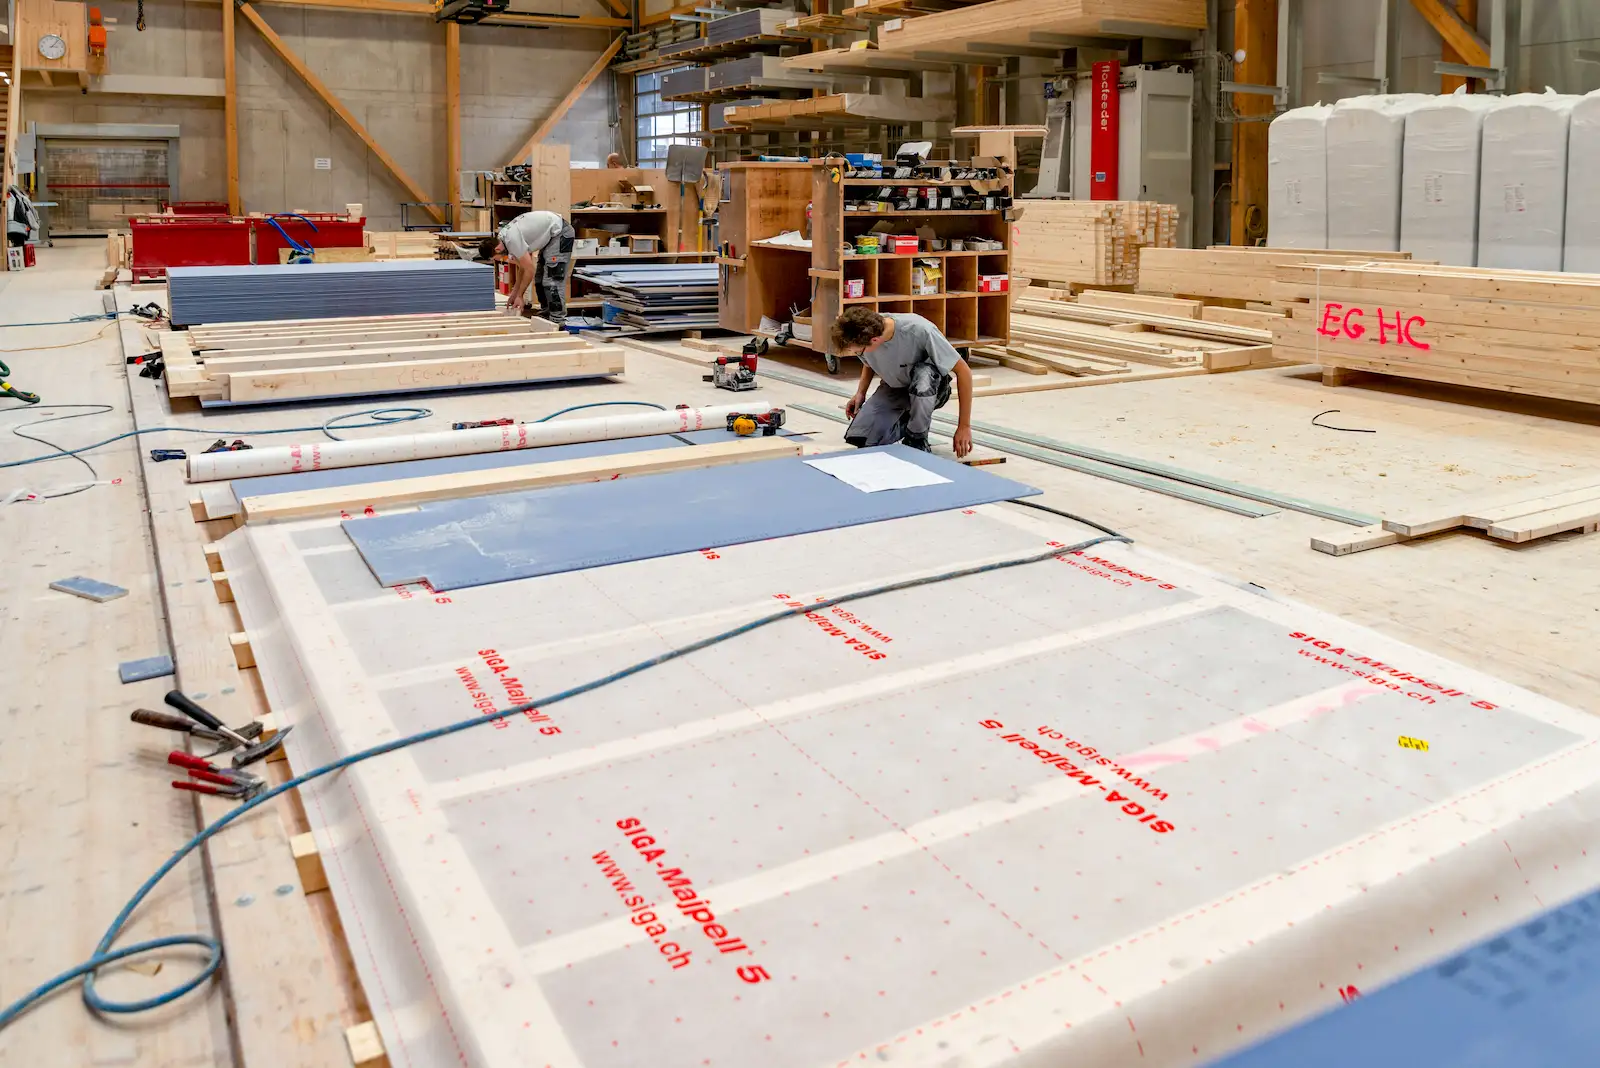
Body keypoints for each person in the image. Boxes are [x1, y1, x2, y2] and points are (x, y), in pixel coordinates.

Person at [831, 307, 973, 458]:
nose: (857, 353)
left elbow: (964, 372)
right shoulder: (865, 330)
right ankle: (908, 420)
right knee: (862, 438)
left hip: (930, 389)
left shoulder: (920, 330)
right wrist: (860, 393)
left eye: (857, 351)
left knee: (923, 375)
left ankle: (917, 438)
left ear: (875, 340)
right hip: (896, 387)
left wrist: (964, 426)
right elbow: (869, 362)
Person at [477, 209, 575, 325]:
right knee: (539, 279)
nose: (499, 260)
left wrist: (520, 296)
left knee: (551, 281)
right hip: (551, 236)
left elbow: (529, 270)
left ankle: (558, 321)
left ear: (497, 250)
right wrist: (514, 293)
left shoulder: (511, 240)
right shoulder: (503, 239)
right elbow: (522, 268)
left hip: (560, 233)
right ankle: (546, 314)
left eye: (495, 258)